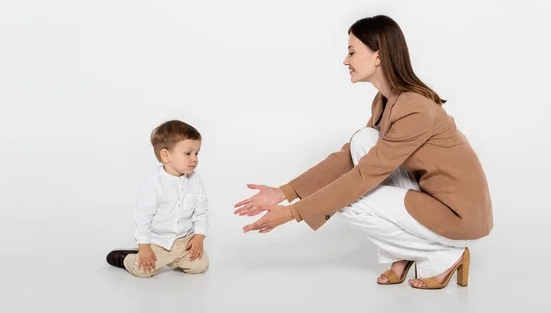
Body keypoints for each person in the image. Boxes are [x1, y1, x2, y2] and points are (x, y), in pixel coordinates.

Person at [234, 15, 493, 289]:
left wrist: (292, 213)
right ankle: (404, 254)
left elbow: (363, 177)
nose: (346, 61)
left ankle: (443, 254)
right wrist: (282, 193)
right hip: (434, 198)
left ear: (378, 56)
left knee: (348, 201)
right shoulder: (385, 100)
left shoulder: (415, 109)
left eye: (352, 52)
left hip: (459, 216)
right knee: (363, 140)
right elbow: (349, 158)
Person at [106, 120, 209, 278]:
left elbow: (201, 211)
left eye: (197, 153)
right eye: (188, 153)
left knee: (200, 265)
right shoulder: (153, 183)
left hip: (184, 242)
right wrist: (145, 247)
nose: (194, 159)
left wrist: (198, 237)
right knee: (143, 270)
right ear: (166, 155)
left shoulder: (195, 180)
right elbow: (143, 218)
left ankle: (177, 260)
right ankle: (127, 258)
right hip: (159, 243)